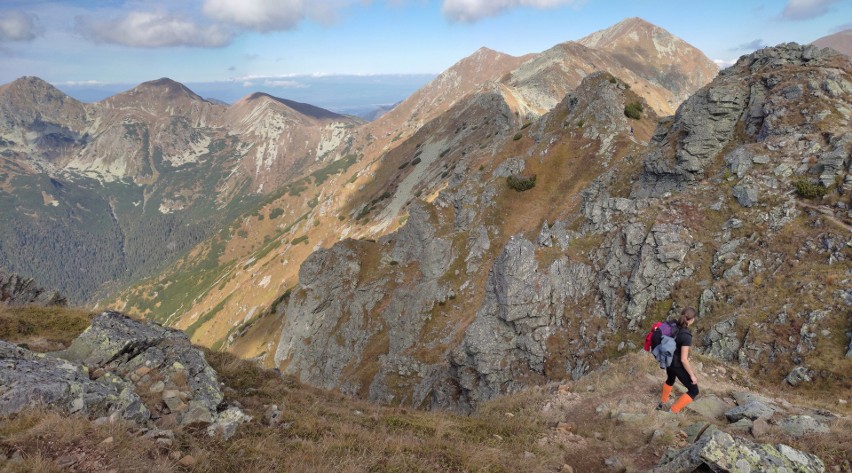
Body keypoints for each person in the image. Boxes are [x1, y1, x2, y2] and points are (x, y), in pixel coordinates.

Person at [657, 307, 698, 413]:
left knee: (670, 379)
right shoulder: (686, 336)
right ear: (692, 319)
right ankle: (673, 411)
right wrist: (692, 375)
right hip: (677, 365)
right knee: (694, 390)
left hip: (668, 361)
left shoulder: (672, 325)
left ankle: (662, 403)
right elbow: (684, 360)